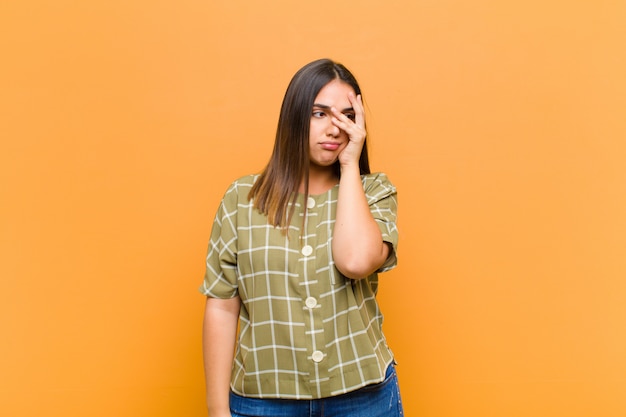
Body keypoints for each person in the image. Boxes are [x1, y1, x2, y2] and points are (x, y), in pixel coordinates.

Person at [200, 58, 402, 417]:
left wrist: (350, 164)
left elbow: (354, 262)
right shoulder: (241, 198)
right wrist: (217, 409)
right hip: (263, 400)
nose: (335, 128)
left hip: (363, 398)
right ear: (294, 117)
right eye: (319, 113)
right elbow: (221, 303)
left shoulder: (373, 192)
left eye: (347, 116)